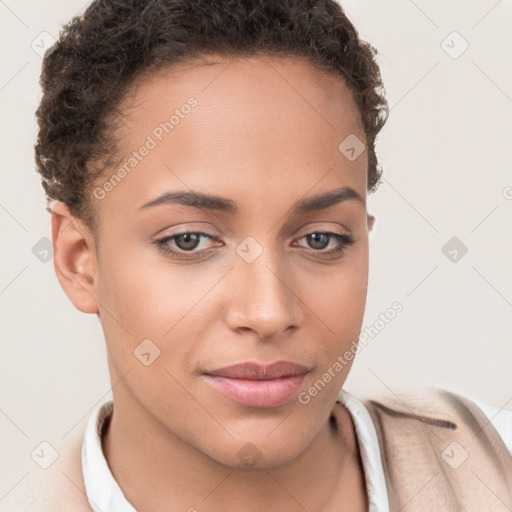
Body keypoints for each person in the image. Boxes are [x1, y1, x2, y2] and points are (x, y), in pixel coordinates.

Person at [11, 0, 511, 510]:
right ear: (79, 260)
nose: (269, 313)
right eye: (190, 240)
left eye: (321, 239)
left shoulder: (494, 465)